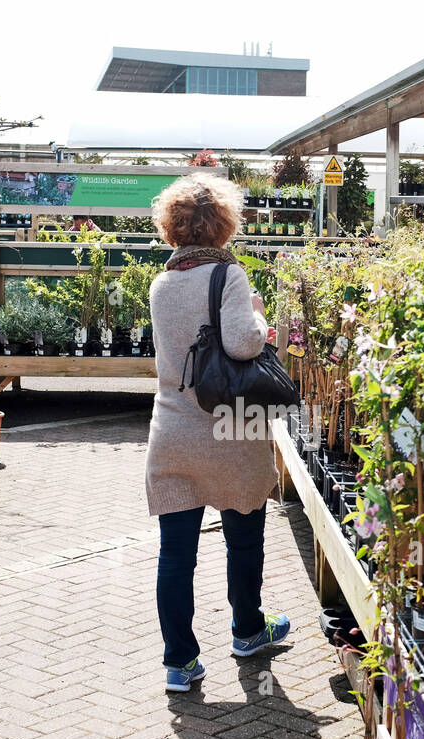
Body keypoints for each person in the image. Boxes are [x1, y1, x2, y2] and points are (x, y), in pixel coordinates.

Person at [145, 174, 290, 692]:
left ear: (174, 227)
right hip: (232, 428)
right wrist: (257, 315)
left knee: (176, 553)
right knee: (244, 539)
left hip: (174, 429)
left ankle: (179, 662)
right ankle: (248, 631)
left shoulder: (161, 284)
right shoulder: (229, 277)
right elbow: (245, 345)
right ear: (223, 225)